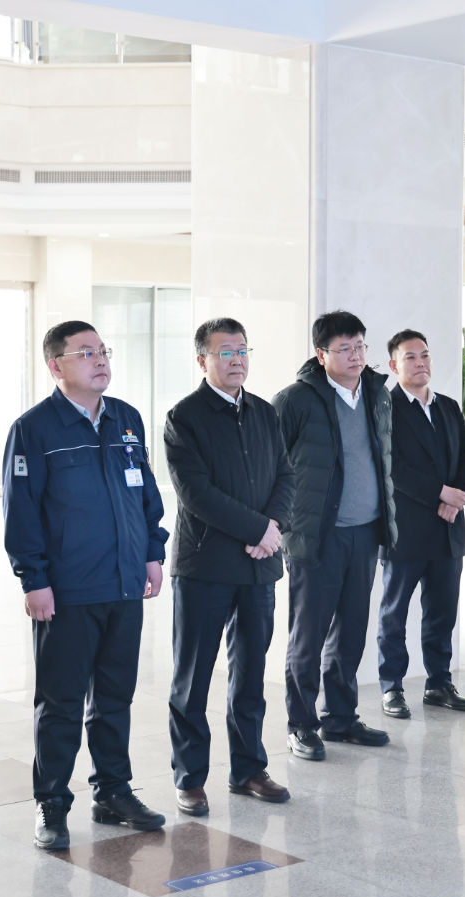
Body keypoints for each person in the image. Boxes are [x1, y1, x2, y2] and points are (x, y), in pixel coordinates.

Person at [3, 320, 169, 852]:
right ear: (56, 365)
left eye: (103, 351)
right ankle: (51, 803)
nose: (100, 360)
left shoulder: (126, 418)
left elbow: (146, 493)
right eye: (85, 353)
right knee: (61, 703)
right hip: (68, 590)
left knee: (115, 696)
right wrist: (33, 579)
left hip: (124, 584)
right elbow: (21, 512)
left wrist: (152, 552)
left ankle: (113, 791)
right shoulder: (34, 429)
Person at [163, 318, 296, 817]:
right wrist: (257, 530)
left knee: (250, 675)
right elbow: (196, 493)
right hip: (206, 567)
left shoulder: (264, 412)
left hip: (259, 569)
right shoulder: (184, 417)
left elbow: (285, 475)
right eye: (225, 352)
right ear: (203, 360)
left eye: (242, 350)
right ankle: (190, 778)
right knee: (193, 678)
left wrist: (273, 527)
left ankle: (248, 769)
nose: (237, 359)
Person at [273, 310, 397, 761]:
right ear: (321, 354)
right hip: (315, 536)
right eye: (344, 348)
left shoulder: (378, 395)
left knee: (351, 632)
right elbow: (273, 466)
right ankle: (301, 724)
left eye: (360, 346)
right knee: (308, 636)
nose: (355, 355)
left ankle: (340, 717)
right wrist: (277, 525)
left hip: (365, 533)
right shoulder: (295, 401)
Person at [377, 330, 465, 718]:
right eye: (410, 357)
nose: (420, 363)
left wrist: (459, 496)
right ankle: (391, 687)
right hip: (406, 531)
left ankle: (439, 683)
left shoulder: (448, 407)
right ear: (394, 365)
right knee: (394, 615)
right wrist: (441, 494)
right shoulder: (385, 409)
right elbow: (392, 467)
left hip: (448, 530)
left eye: (425, 355)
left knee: (442, 613)